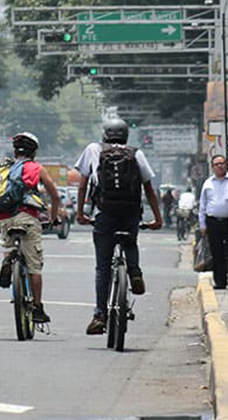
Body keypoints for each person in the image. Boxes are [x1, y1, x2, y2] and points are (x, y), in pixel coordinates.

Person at [75, 118, 163, 335]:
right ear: (126, 136)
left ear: (105, 135)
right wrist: (157, 218)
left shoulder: (93, 150)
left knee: (102, 267)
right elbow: (149, 189)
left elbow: (83, 185)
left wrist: (80, 213)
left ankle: (99, 315)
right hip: (130, 213)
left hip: (104, 214)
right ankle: (134, 272)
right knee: (130, 241)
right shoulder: (136, 153)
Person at [0, 132, 60, 324]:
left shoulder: (3, 170)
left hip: (5, 219)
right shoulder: (36, 168)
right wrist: (53, 217)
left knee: (9, 246)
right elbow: (54, 195)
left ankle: (8, 258)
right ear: (33, 152)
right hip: (27, 218)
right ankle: (37, 307)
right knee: (34, 266)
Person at [198, 154, 228, 289]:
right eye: (217, 164)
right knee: (216, 252)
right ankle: (220, 281)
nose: (220, 166)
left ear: (226, 165)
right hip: (212, 222)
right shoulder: (208, 183)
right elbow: (202, 205)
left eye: (222, 163)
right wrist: (202, 225)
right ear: (212, 167)